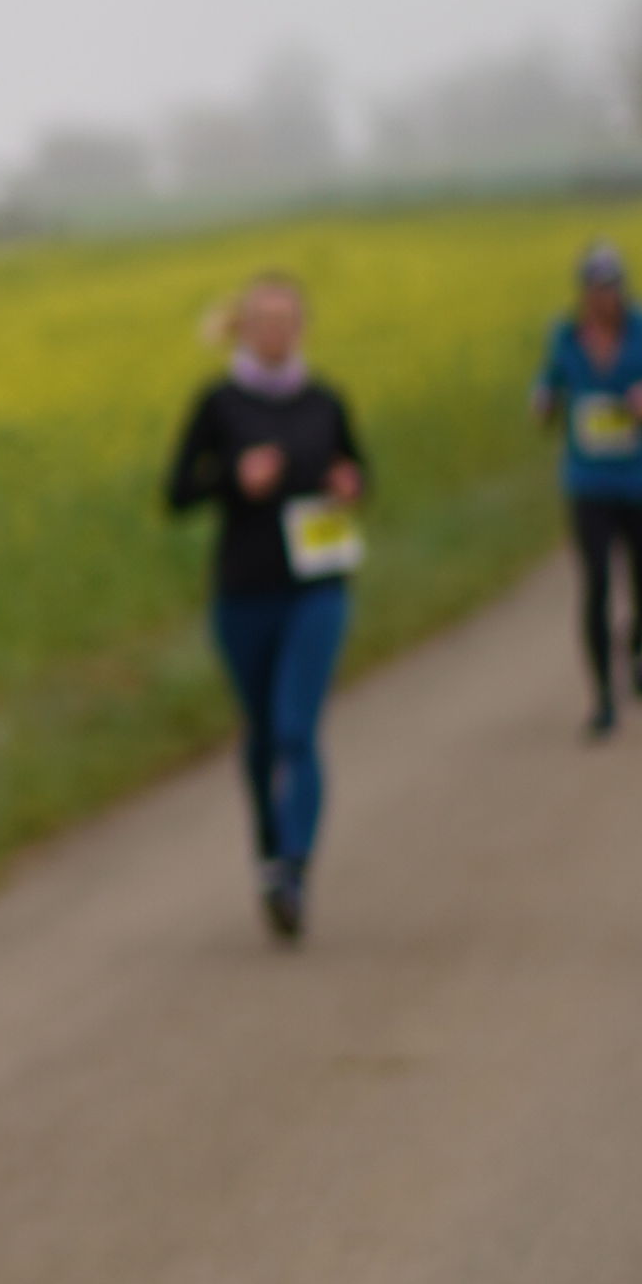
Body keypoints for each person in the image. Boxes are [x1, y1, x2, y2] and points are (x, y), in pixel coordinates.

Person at [167, 273, 366, 938]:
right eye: (263, 320)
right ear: (243, 328)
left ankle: (294, 872)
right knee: (260, 735)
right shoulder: (219, 403)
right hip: (244, 592)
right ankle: (270, 859)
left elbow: (358, 469)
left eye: (286, 320)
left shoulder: (325, 400)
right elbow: (178, 492)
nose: (276, 331)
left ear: (300, 327)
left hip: (319, 589)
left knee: (294, 730)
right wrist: (236, 478)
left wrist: (349, 483)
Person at [533, 240, 642, 735]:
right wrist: (543, 400)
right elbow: (549, 381)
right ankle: (602, 698)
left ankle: (636, 643)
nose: (602, 297)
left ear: (623, 288)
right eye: (593, 288)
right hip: (588, 482)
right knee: (595, 584)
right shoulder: (565, 335)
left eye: (610, 287)